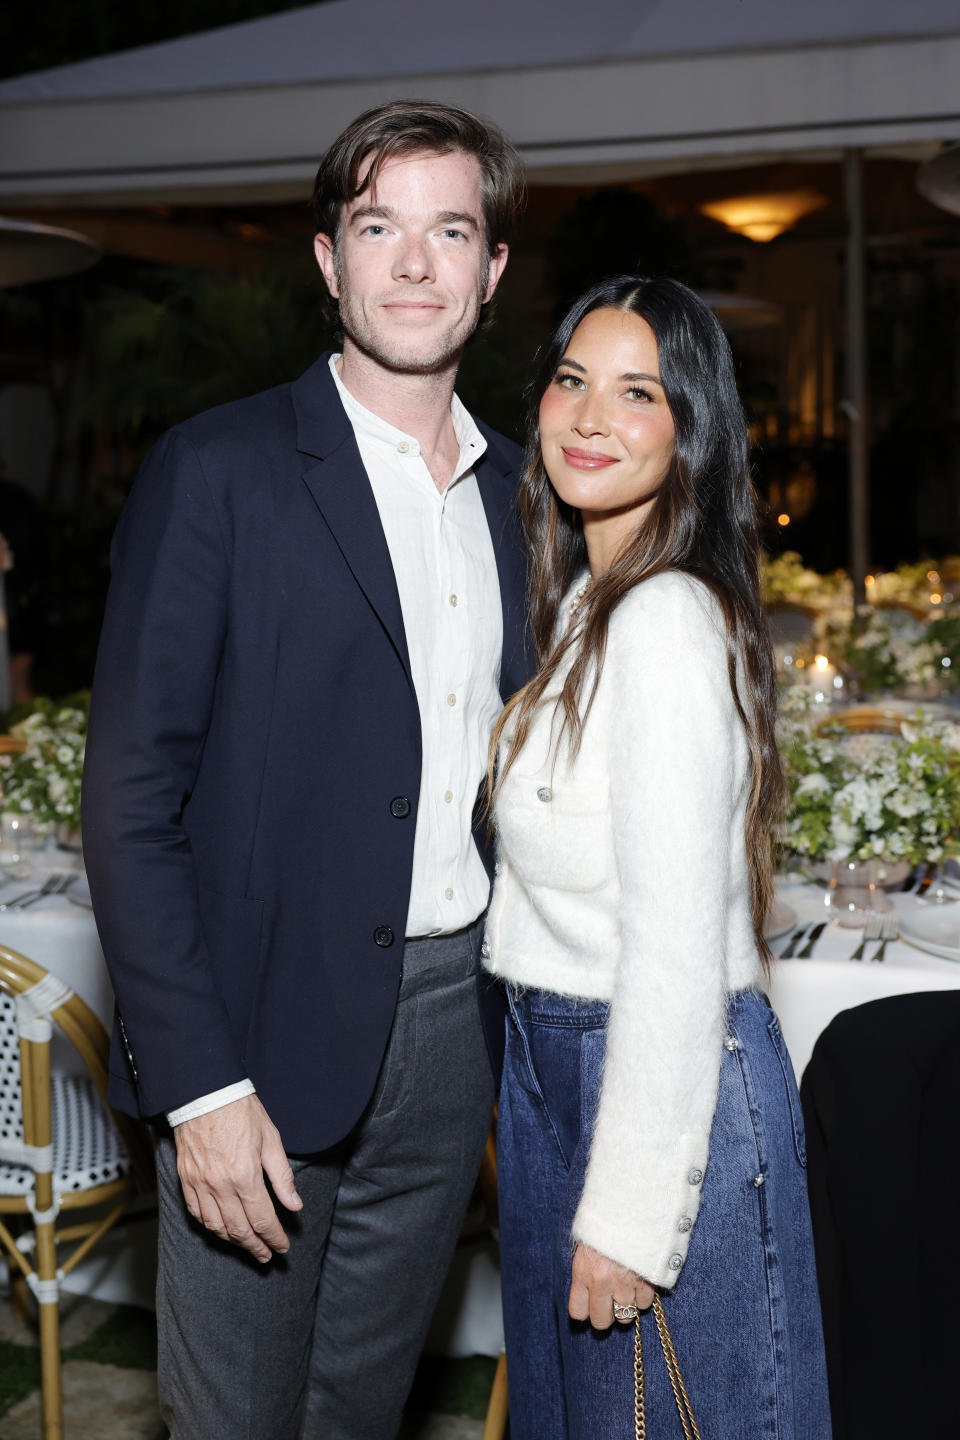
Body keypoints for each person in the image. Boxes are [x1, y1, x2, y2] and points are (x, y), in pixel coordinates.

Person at [82, 99, 528, 1439]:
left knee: (359, 1412)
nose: (412, 264)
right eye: (377, 226)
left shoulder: (524, 497)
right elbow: (131, 798)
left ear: (492, 270)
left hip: (451, 1031)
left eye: (449, 231)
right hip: (258, 1036)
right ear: (328, 259)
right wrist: (203, 1091)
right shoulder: (216, 471)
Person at [482, 276, 831, 1437]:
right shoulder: (592, 602)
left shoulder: (665, 620)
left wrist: (632, 1216)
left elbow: (678, 948)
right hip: (562, 1069)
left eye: (638, 393)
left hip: (654, 1084)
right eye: (572, 380)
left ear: (692, 430)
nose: (589, 417)